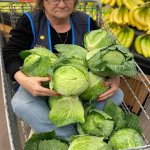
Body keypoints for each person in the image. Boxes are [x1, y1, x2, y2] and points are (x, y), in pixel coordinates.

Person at [3, 0, 123, 140]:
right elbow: (10, 52)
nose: (61, 4)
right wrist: (24, 80)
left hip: (80, 89)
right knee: (21, 104)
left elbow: (104, 53)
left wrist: (114, 75)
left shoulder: (86, 22)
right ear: (42, 2)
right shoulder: (30, 22)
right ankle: (71, 137)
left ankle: (60, 127)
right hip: (42, 88)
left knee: (116, 95)